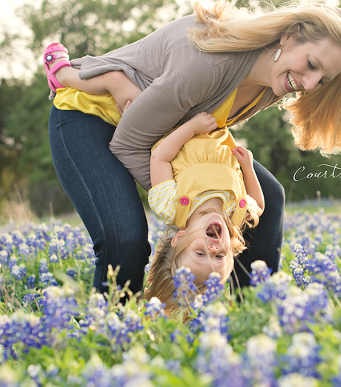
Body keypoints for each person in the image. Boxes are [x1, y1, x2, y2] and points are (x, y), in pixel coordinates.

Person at [46, 0, 341, 297]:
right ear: (289, 37)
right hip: (89, 118)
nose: (308, 84)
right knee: (126, 238)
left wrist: (214, 200)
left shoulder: (275, 81)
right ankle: (112, 335)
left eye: (321, 80)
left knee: (269, 198)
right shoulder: (208, 65)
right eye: (311, 64)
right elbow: (130, 144)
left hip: (164, 131)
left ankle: (244, 313)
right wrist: (191, 205)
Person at [43, 48, 264, 307]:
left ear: (179, 239)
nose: (213, 249)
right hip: (209, 128)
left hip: (164, 128)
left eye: (200, 252)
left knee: (118, 81)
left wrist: (186, 127)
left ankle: (62, 74)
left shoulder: (172, 207)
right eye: (219, 257)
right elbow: (258, 204)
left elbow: (159, 157)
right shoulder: (236, 214)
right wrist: (248, 169)